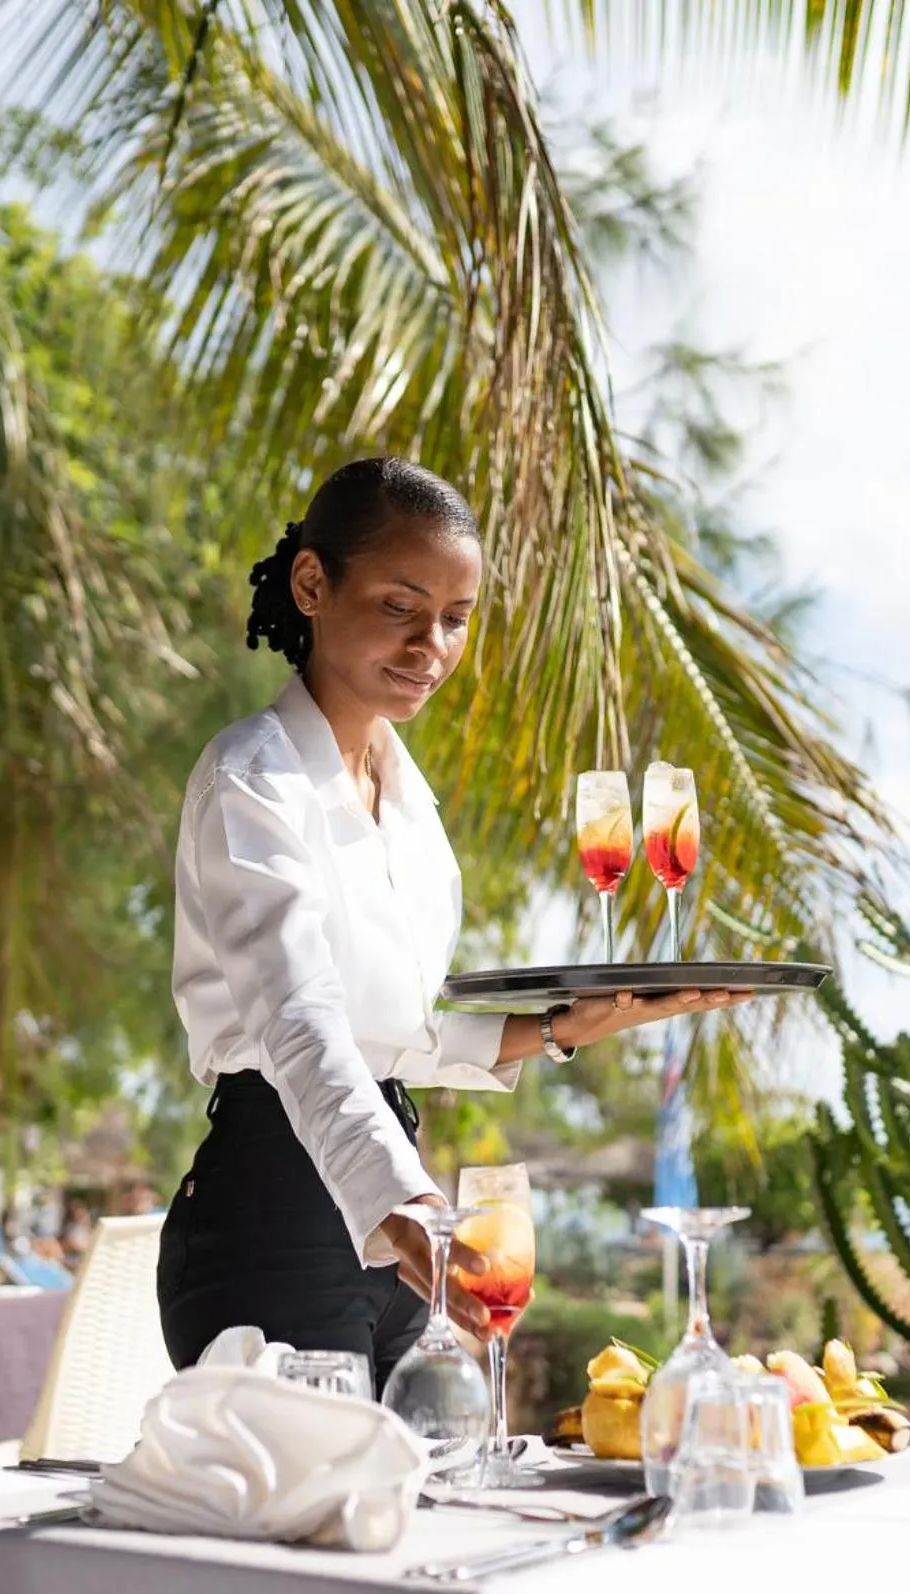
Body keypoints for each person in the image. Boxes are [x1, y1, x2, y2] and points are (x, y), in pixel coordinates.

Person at [159, 458, 741, 1392]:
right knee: (319, 1525)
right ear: (313, 584)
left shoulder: (408, 803)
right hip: (271, 1214)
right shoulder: (253, 780)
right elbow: (300, 1027)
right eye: (400, 605)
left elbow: (394, 1031)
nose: (432, 642)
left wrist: (557, 1030)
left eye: (456, 618)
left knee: (437, 1500)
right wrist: (407, 1205)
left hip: (393, 1207)